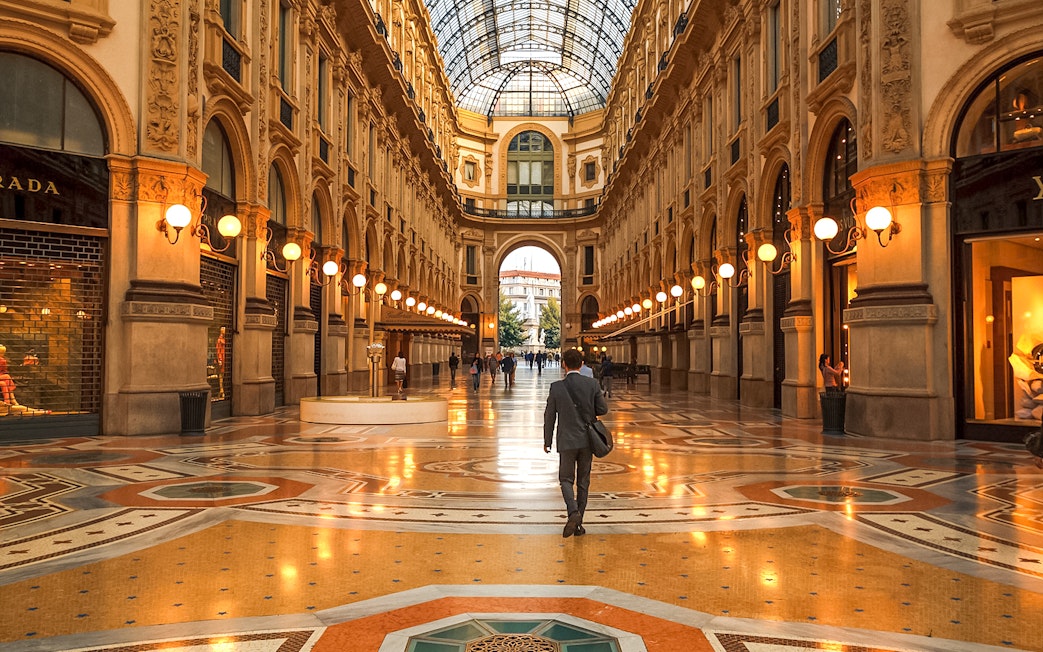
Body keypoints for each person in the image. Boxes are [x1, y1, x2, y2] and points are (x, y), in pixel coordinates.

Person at [544, 348, 608, 538]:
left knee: (565, 479)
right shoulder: (592, 384)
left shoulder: (556, 387)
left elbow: (549, 416)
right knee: (583, 482)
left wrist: (547, 440)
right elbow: (602, 409)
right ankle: (579, 524)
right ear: (581, 364)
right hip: (587, 441)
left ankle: (573, 513)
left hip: (566, 440)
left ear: (564, 364)